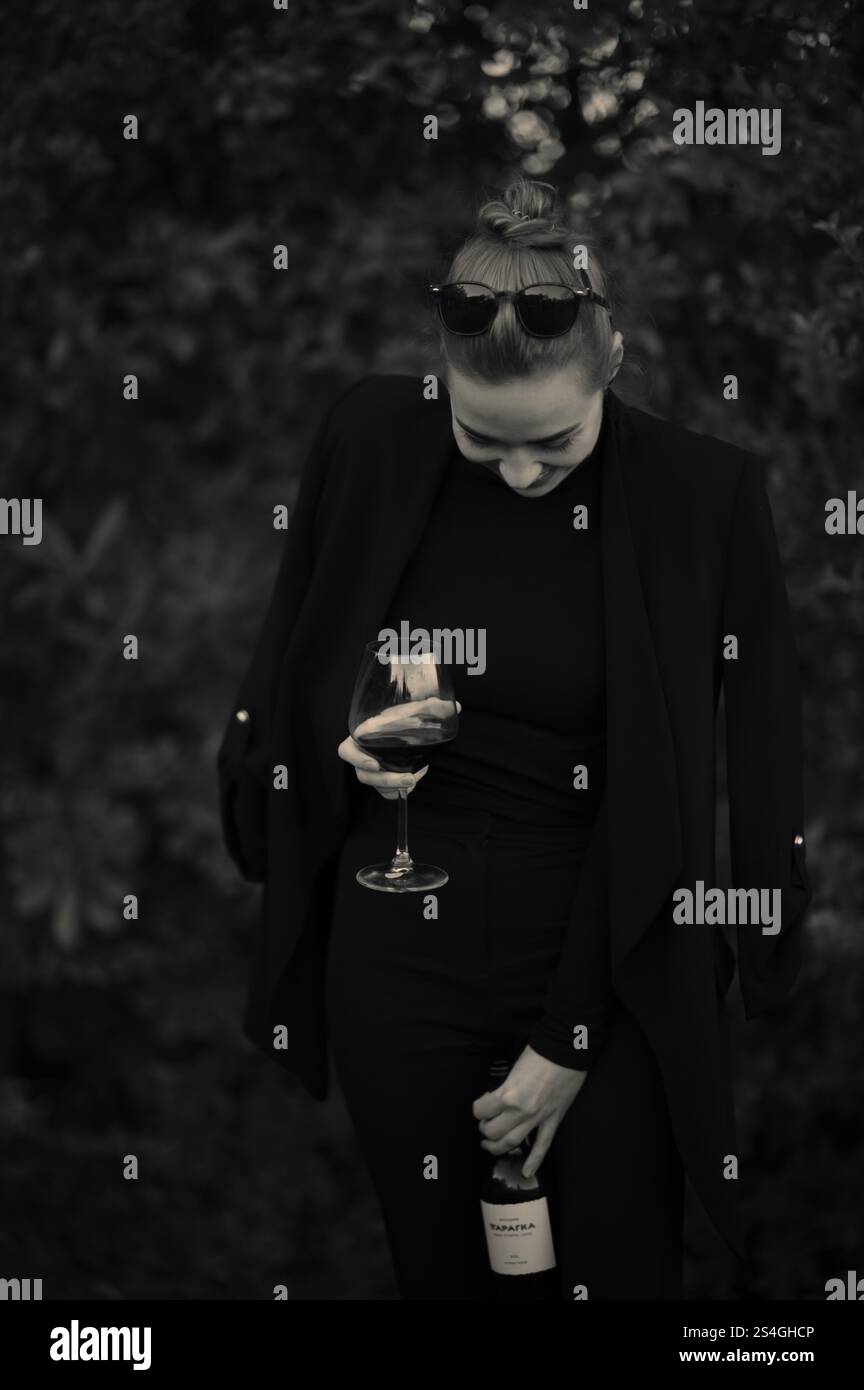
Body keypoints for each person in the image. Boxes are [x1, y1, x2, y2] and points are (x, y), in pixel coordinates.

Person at [216, 176, 812, 1300]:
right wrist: (349, 751)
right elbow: (298, 659)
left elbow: (723, 768)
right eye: (484, 443)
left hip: (613, 944)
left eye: (555, 444)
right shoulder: (371, 437)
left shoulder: (703, 497)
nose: (524, 475)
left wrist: (570, 1036)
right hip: (400, 950)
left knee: (620, 1274)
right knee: (446, 1275)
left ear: (615, 362)